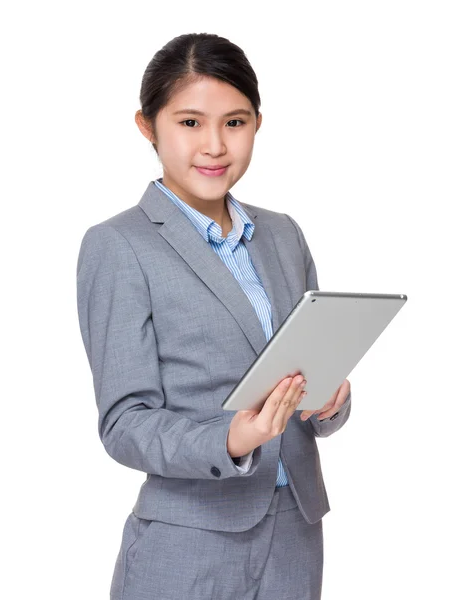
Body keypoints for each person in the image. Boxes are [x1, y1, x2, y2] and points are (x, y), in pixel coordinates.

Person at [76, 32, 352, 600]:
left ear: (256, 124)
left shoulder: (282, 234)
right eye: (189, 122)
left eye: (235, 122)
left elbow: (311, 379)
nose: (215, 146)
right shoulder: (117, 246)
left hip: (296, 531)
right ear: (147, 126)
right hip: (189, 539)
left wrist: (331, 400)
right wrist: (232, 437)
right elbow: (124, 423)